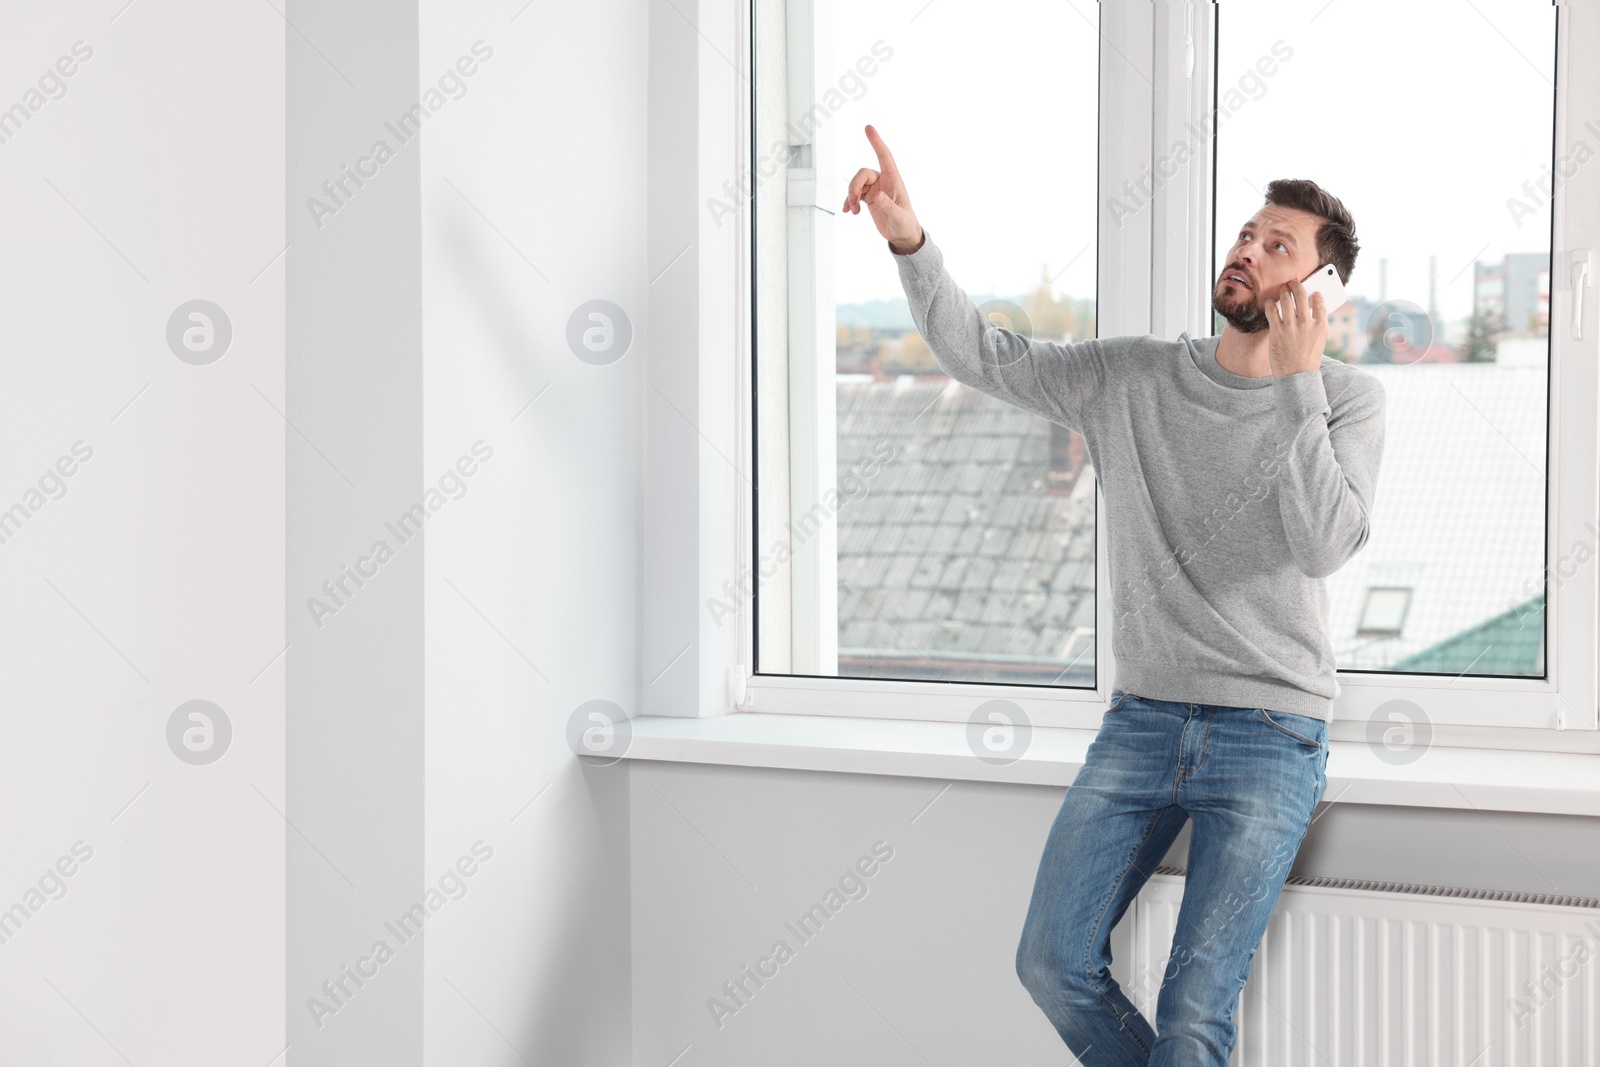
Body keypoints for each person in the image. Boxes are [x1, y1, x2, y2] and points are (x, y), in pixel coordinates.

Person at [844, 124, 1385, 1066]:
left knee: (1195, 1013)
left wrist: (1299, 387)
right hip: (1142, 722)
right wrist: (909, 240)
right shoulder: (1131, 375)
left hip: (1272, 734)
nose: (1247, 251)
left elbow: (1325, 543)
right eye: (1247, 234)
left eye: (1278, 245)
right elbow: (985, 354)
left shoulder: (1347, 399)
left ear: (1319, 289)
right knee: (1052, 963)